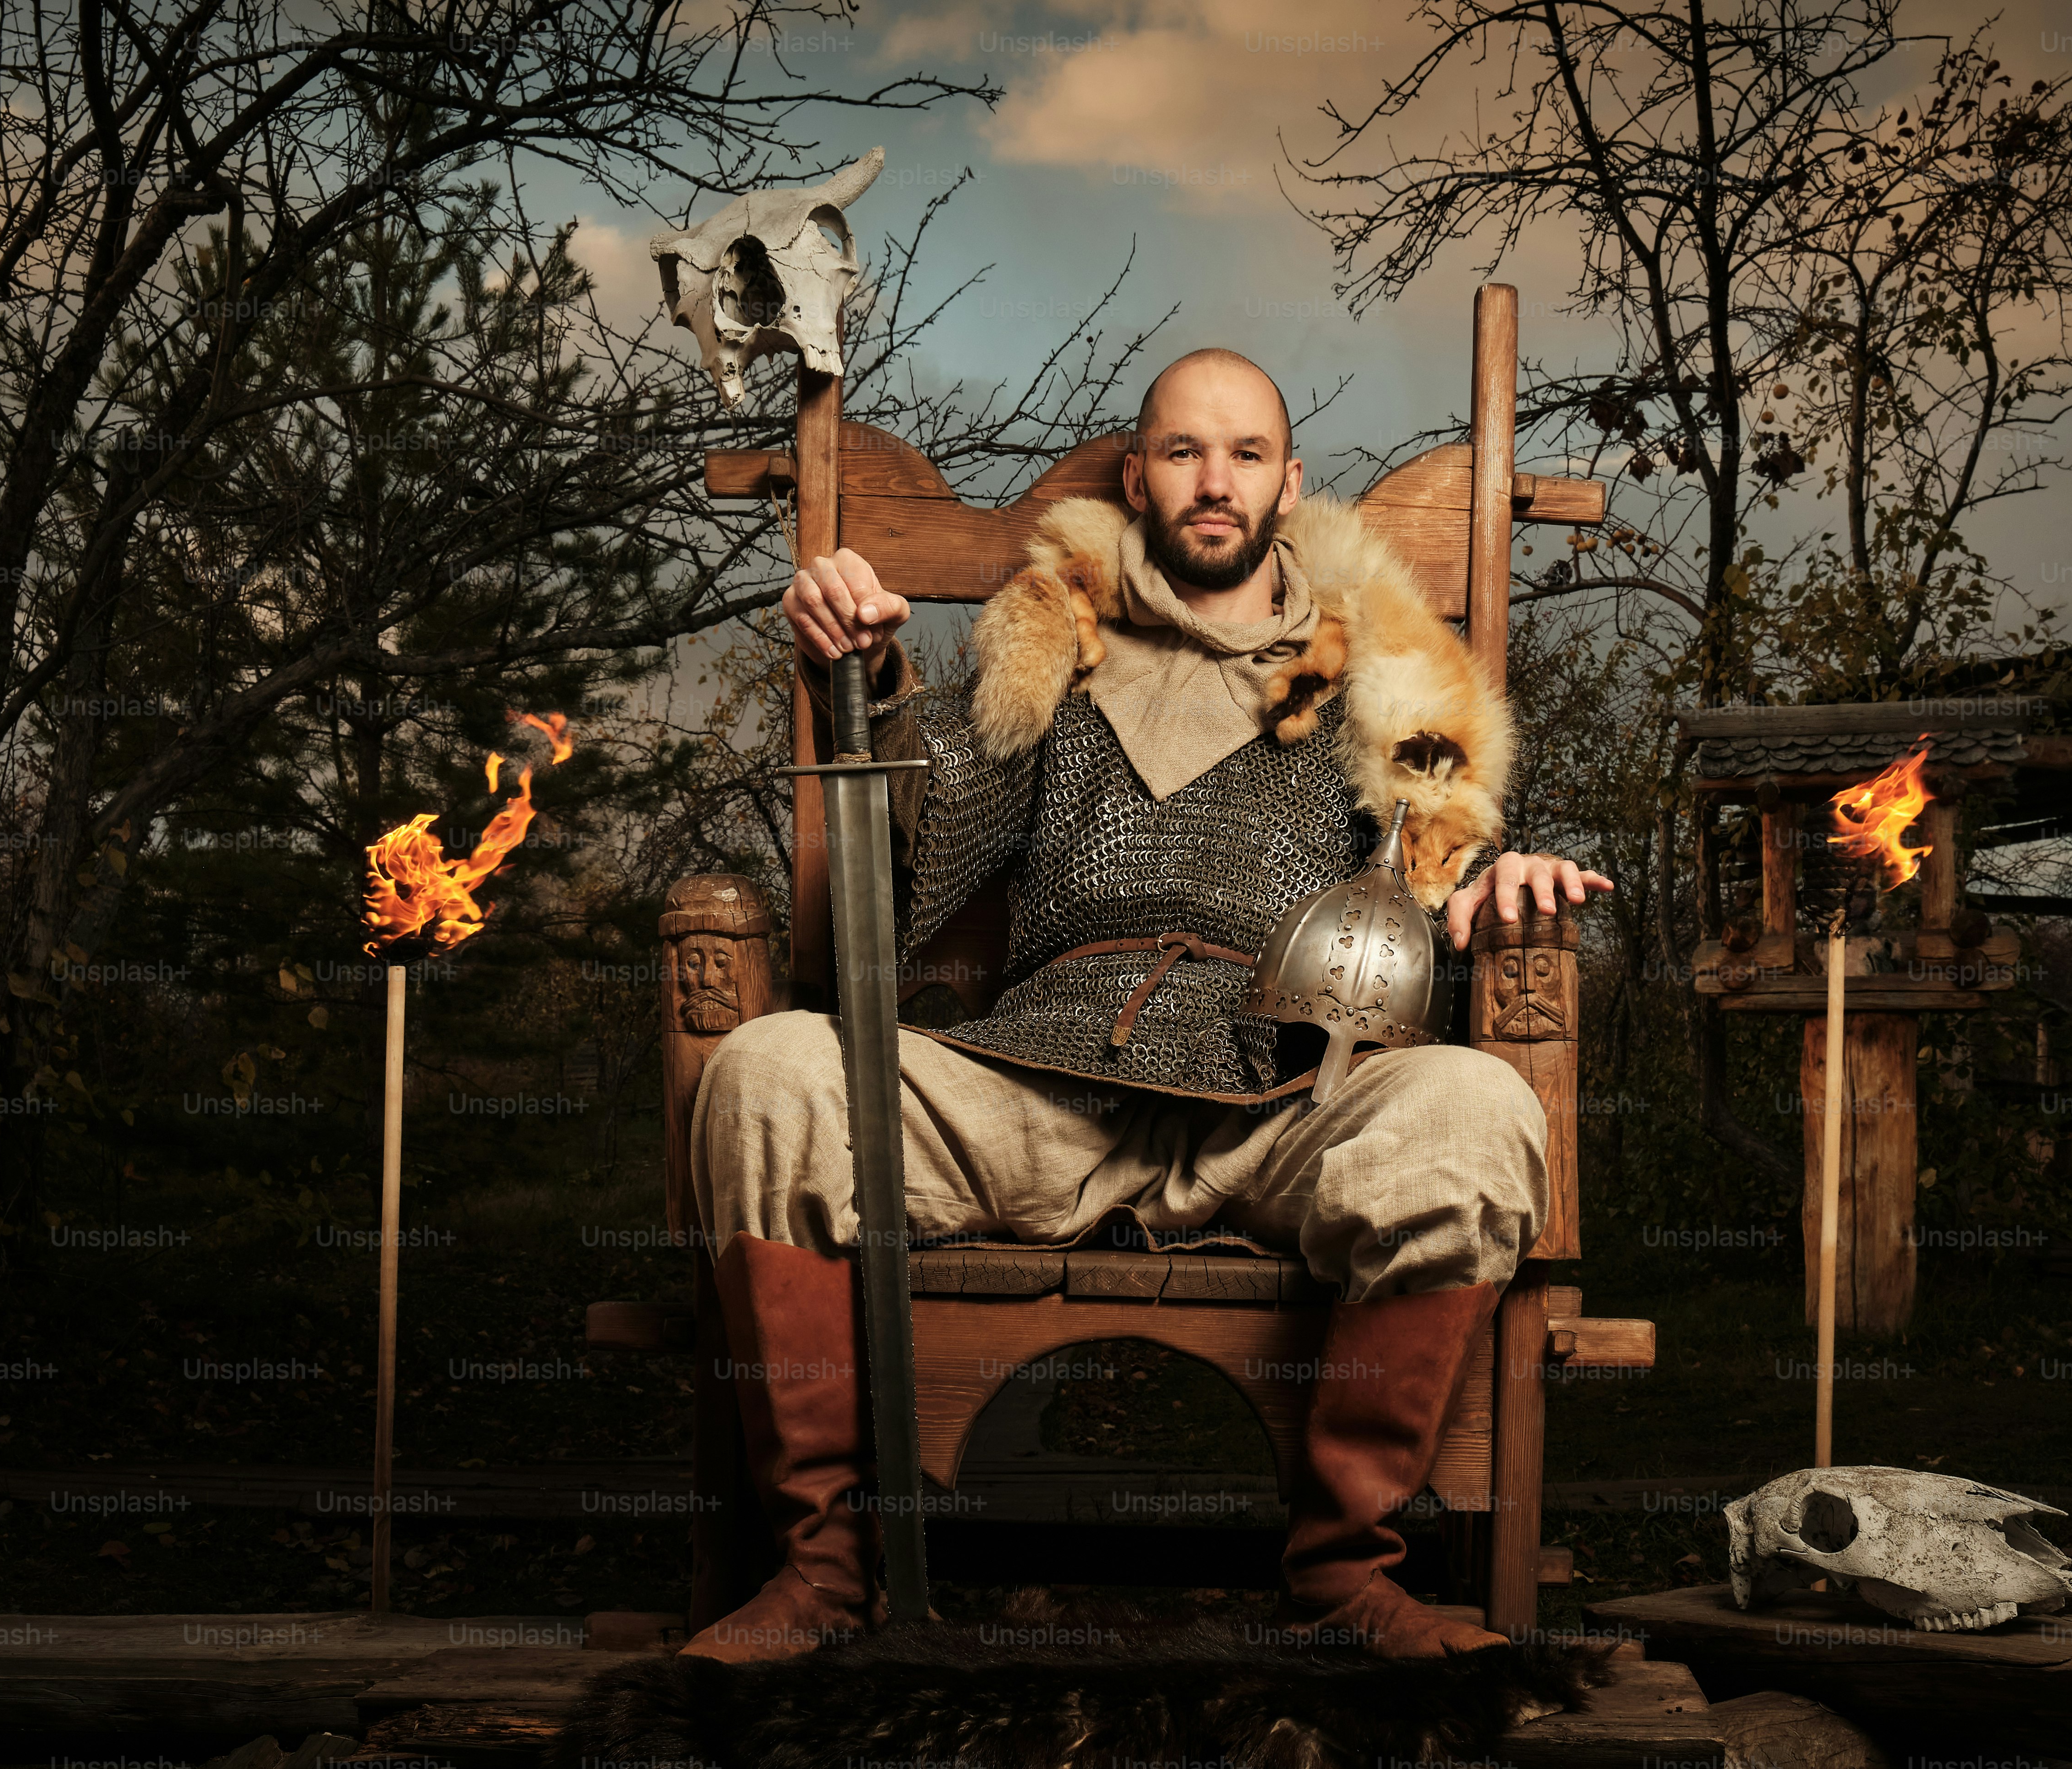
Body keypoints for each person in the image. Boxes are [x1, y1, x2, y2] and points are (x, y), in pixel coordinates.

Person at [685, 348, 1612, 1662]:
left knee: (1472, 1104)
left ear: (1289, 484)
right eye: (1183, 452)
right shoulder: (1047, 657)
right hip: (1036, 1087)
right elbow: (902, 862)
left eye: (1243, 454)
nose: (1213, 481)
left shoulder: (1382, 691)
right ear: (1139, 476)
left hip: (1286, 1096)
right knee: (769, 1071)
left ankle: (1345, 1577)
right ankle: (825, 1572)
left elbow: (1425, 904)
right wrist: (871, 682)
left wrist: (1493, 889)